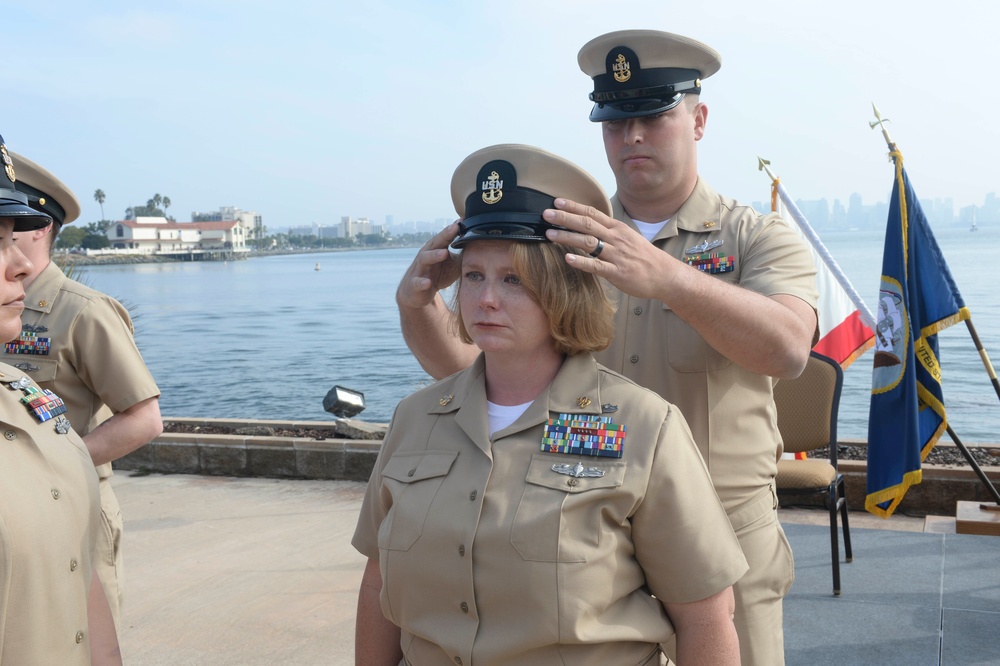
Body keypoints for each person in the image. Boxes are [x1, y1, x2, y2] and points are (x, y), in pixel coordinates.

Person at [395, 31, 819, 666]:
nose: (634, 137)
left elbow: (789, 349)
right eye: (616, 121)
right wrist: (418, 307)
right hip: (588, 531)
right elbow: (473, 374)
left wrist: (668, 278)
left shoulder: (756, 237)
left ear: (698, 119)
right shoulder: (561, 239)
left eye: (653, 115)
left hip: (725, 537)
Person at [355, 144, 748, 666]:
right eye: (474, 275)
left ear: (563, 288)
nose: (486, 299)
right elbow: (379, 582)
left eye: (513, 279)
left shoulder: (643, 427)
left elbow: (705, 616)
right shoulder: (416, 418)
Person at [2, 150, 163, 636]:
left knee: (83, 635)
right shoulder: (9, 307)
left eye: (17, 225)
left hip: (74, 499)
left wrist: (55, 465)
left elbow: (144, 418)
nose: (11, 243)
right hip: (15, 509)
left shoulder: (82, 311)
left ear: (43, 227)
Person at [0, 133, 121, 664]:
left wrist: (53, 468)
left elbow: (80, 581)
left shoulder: (21, 395)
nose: (20, 265)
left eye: (13, 239)